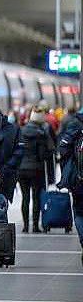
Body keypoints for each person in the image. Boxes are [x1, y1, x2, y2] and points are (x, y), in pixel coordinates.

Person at [17, 110, 53, 233]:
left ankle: (25, 226)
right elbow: (43, 155)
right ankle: (35, 226)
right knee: (36, 197)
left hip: (21, 169)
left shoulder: (21, 131)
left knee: (25, 198)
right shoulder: (41, 133)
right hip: (36, 169)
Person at [56, 108, 83, 266]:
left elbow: (63, 148)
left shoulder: (75, 124)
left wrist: (69, 168)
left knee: (79, 210)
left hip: (78, 178)